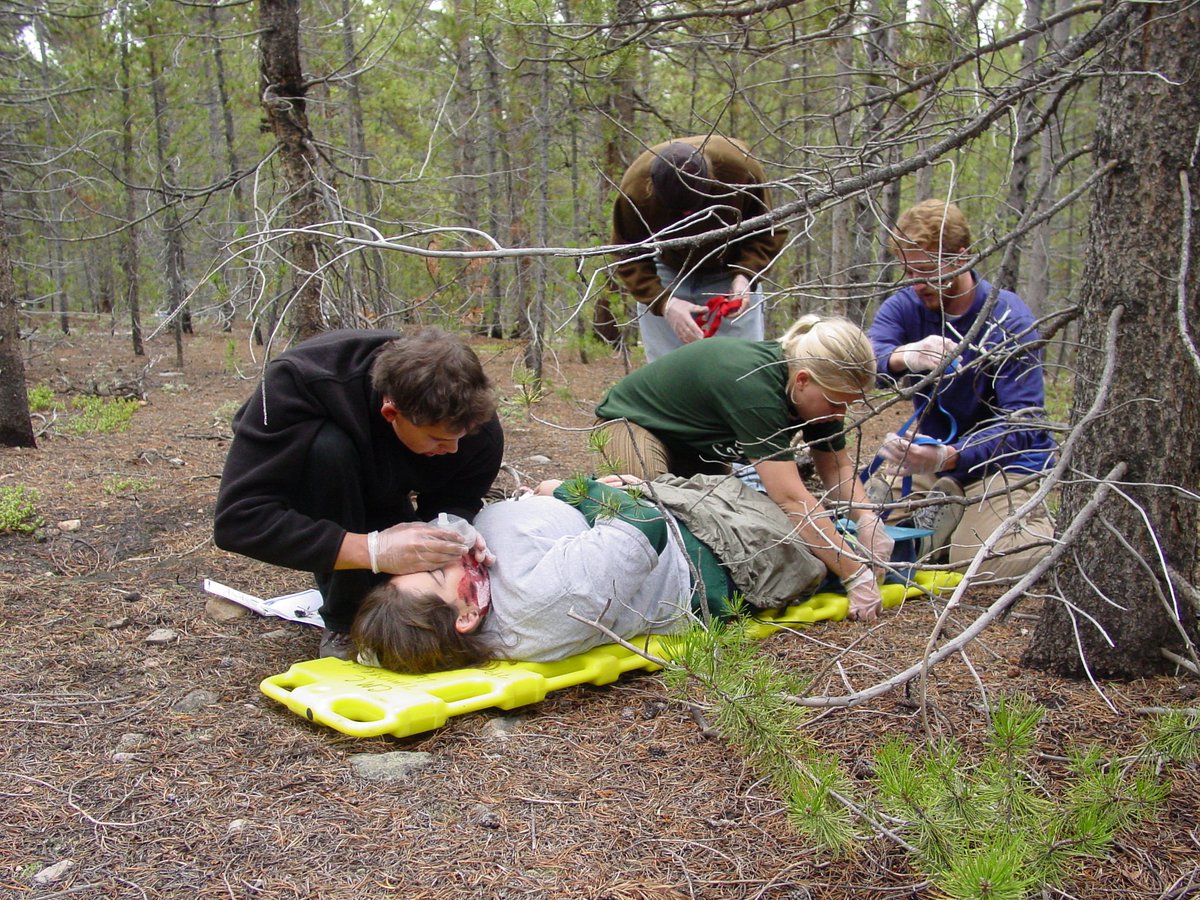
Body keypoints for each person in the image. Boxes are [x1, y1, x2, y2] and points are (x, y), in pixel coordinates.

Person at [213, 328, 504, 660]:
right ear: (391, 413)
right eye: (438, 439)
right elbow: (238, 521)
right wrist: (373, 550)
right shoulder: (297, 382)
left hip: (384, 475)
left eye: (461, 436)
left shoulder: (473, 427)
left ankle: (394, 609)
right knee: (327, 450)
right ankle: (345, 619)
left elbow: (457, 494)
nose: (453, 449)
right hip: (323, 476)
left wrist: (451, 527)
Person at [351, 474, 834, 672]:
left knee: (793, 491)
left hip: (669, 505)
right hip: (714, 549)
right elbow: (643, 527)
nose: (441, 560)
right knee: (821, 527)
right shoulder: (540, 604)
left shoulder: (474, 580)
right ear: (465, 616)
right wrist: (569, 488)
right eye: (437, 575)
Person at [591, 314, 895, 620]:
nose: (839, 414)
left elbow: (836, 467)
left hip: (698, 450)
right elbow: (791, 498)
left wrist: (866, 517)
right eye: (835, 404)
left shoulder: (817, 397)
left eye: (847, 405)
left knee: (726, 531)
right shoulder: (757, 389)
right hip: (633, 426)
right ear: (802, 380)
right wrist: (854, 573)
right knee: (652, 521)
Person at [866, 199, 1056, 579]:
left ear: (961, 258)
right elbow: (866, 360)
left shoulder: (1008, 319)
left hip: (1003, 464)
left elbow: (1022, 424)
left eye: (926, 272)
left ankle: (983, 523)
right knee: (864, 530)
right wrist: (905, 356)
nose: (917, 284)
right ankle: (939, 514)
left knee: (984, 561)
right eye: (909, 272)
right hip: (928, 454)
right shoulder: (905, 307)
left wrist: (950, 458)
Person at [612, 135, 788, 361]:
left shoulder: (740, 170)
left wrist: (745, 275)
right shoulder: (634, 190)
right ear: (651, 188)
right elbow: (628, 254)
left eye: (693, 209)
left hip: (730, 271)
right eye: (679, 213)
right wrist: (664, 303)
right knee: (666, 372)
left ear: (711, 178)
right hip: (666, 274)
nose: (687, 217)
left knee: (743, 367)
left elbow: (767, 230)